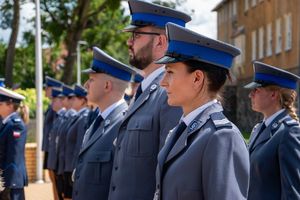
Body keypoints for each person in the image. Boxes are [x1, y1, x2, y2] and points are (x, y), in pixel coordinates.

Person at [154, 22, 250, 200]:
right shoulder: (180, 131)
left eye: (170, 72)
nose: (163, 82)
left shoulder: (222, 138)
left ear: (197, 78)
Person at [108, 1, 191, 199]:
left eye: (136, 35)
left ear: (160, 42)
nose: (129, 42)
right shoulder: (143, 92)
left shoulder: (170, 95)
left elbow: (170, 177)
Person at [72, 47, 139, 200]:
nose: (86, 85)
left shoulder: (125, 124)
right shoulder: (98, 121)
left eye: (91, 80)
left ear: (107, 85)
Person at [244, 61, 300, 200]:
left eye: (256, 90)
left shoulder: (289, 132)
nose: (250, 95)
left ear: (274, 94)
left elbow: (292, 193)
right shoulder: (258, 129)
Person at [0, 87, 29, 200]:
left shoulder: (15, 125)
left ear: (10, 105)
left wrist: (8, 183)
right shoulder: (6, 124)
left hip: (11, 181)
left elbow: (14, 157)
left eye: (0, 103)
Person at [63, 84, 89, 199]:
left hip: (73, 166)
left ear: (83, 100)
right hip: (69, 164)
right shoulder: (78, 116)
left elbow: (79, 145)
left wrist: (75, 167)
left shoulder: (83, 117)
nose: (72, 101)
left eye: (75, 98)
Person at [42, 76, 63, 200]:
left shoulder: (57, 106)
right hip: (49, 147)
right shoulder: (51, 106)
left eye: (47, 87)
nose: (45, 90)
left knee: (56, 179)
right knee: (52, 178)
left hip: (53, 147)